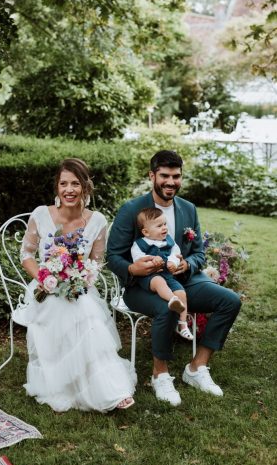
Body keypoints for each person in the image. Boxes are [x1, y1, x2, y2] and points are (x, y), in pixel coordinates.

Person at [107, 150, 241, 406]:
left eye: (176, 176)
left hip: (184, 280)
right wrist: (134, 269)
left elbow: (199, 253)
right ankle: (161, 374)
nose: (171, 182)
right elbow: (113, 256)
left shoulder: (188, 209)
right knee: (166, 307)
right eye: (165, 175)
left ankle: (197, 367)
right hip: (143, 285)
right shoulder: (132, 209)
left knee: (230, 301)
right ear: (152, 176)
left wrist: (186, 264)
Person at [19, 158, 136, 413]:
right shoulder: (41, 214)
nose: (69, 189)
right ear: (56, 187)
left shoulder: (97, 221)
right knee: (76, 311)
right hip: (45, 289)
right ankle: (73, 384)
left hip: (79, 288)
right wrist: (45, 278)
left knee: (84, 309)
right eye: (63, 183)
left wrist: (82, 278)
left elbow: (96, 263)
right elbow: (26, 255)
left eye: (75, 183)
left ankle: (110, 390)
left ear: (85, 187)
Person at [131, 207, 194, 341]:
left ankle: (182, 325)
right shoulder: (140, 244)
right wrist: (152, 259)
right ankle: (172, 299)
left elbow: (175, 254)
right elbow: (137, 259)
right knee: (159, 282)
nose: (164, 228)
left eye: (165, 224)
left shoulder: (169, 241)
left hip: (168, 275)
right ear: (146, 232)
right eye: (159, 226)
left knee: (182, 293)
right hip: (149, 276)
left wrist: (173, 262)